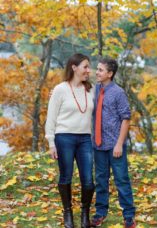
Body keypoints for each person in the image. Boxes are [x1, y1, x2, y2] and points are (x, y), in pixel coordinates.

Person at [45, 53, 95, 228]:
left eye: (89, 67)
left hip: (85, 139)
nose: (89, 70)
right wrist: (51, 142)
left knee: (88, 180)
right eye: (85, 67)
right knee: (66, 176)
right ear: (74, 67)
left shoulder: (91, 89)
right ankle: (67, 212)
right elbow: (50, 118)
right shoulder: (60, 89)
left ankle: (84, 214)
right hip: (64, 137)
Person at [91, 57, 136, 228]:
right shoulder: (94, 90)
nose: (97, 72)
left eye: (101, 70)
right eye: (97, 69)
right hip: (98, 145)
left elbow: (126, 119)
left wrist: (119, 144)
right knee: (101, 180)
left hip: (115, 145)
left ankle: (129, 215)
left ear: (110, 74)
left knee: (121, 180)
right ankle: (100, 213)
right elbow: (76, 93)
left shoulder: (118, 92)